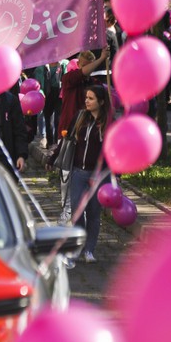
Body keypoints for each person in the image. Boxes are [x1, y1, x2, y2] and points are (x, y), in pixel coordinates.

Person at [49, 85, 112, 264]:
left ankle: (89, 249)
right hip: (78, 173)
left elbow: (111, 151)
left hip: (97, 176)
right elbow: (67, 140)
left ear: (101, 102)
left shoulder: (108, 122)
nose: (87, 101)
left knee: (93, 213)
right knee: (77, 212)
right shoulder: (79, 117)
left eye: (91, 98)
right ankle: (78, 246)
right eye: (86, 97)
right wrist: (53, 158)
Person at [58, 47, 109, 144]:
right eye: (84, 65)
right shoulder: (68, 78)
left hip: (86, 131)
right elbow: (81, 73)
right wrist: (101, 58)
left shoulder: (95, 83)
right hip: (68, 129)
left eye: (90, 65)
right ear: (77, 64)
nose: (88, 68)